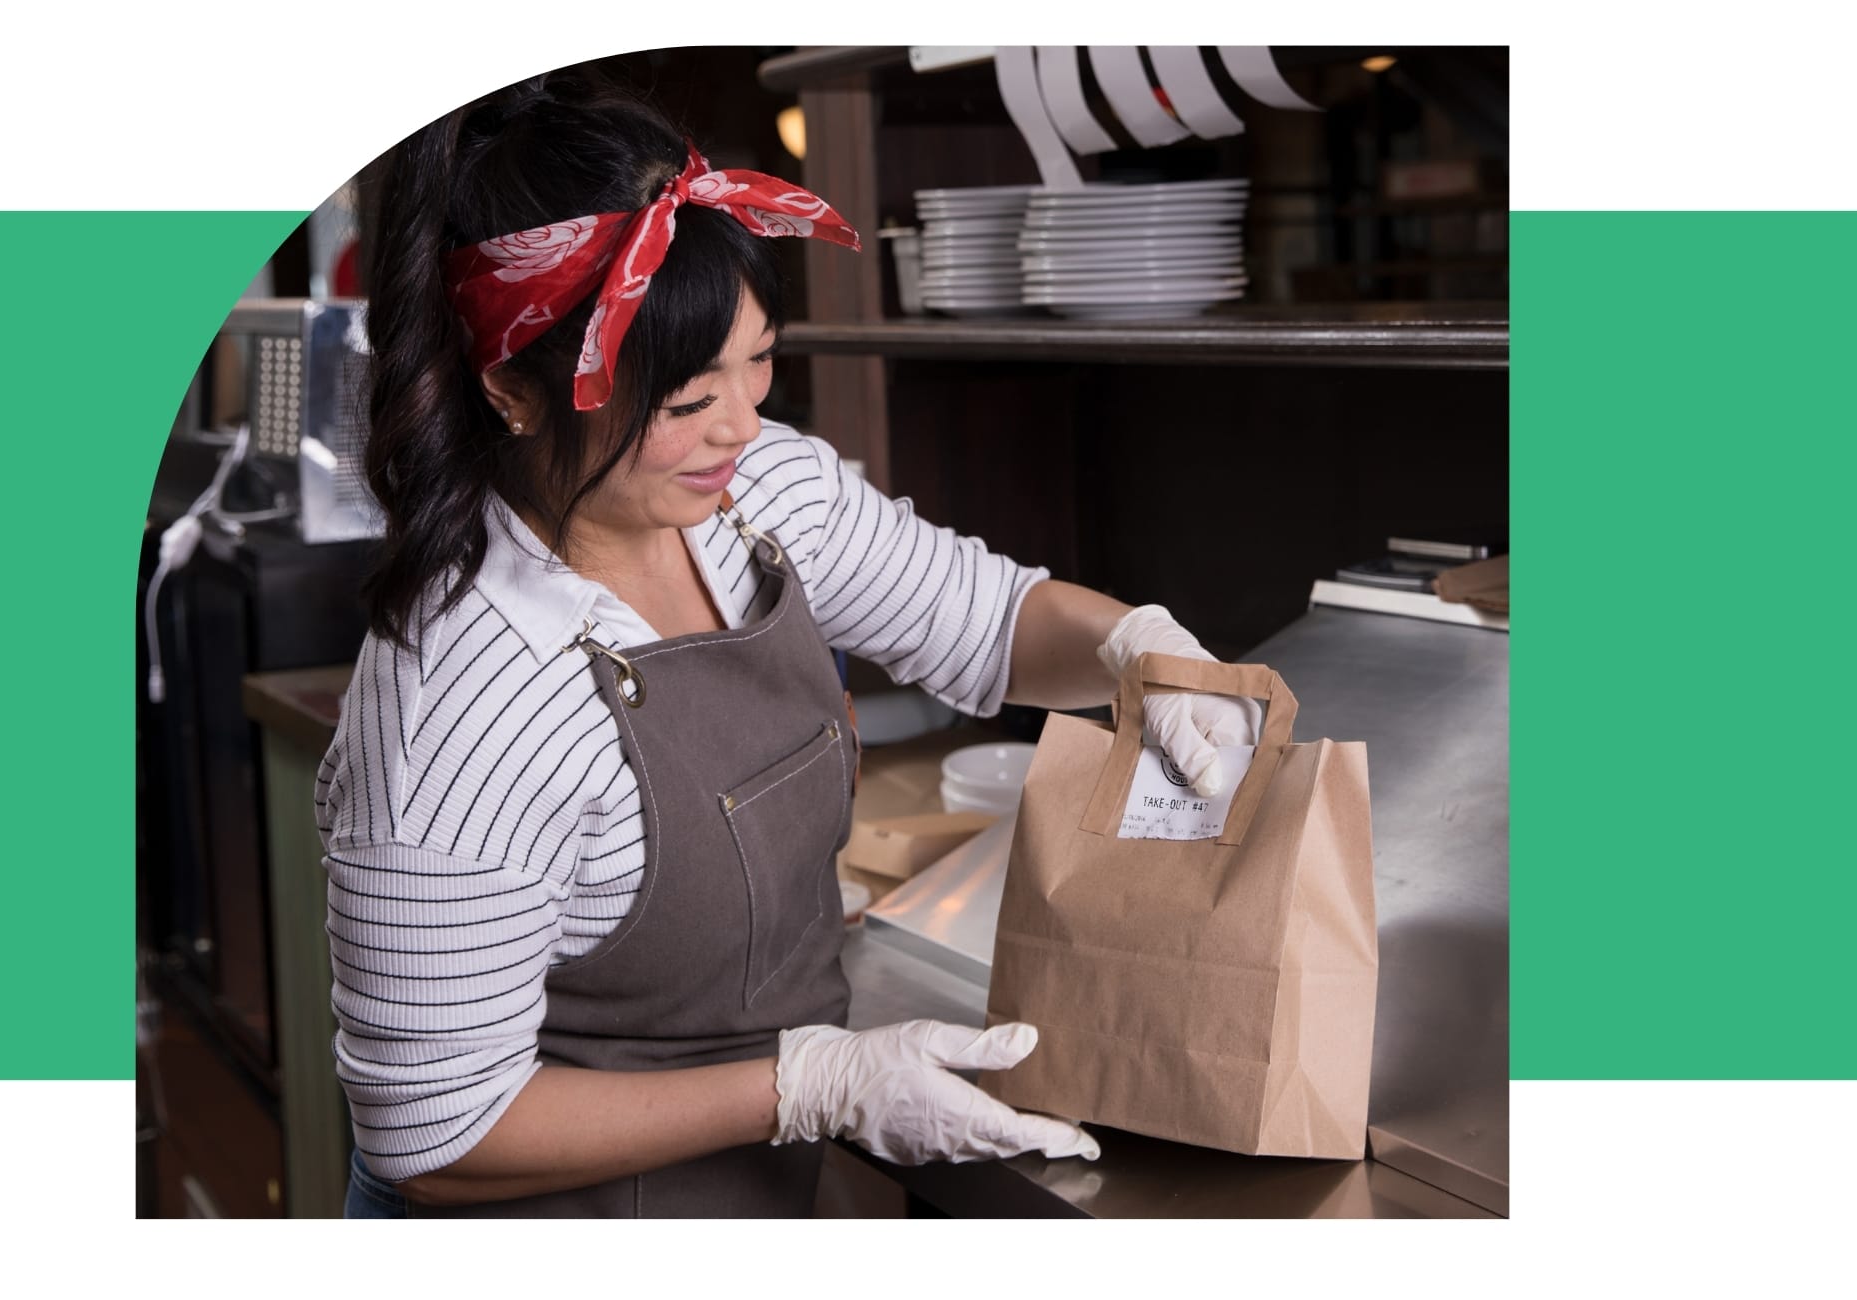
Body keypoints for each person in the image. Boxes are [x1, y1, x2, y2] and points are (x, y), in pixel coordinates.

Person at [317, 71, 1260, 1218]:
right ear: (515, 388)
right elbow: (438, 1133)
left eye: (756, 359)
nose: (741, 422)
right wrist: (810, 1086)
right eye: (681, 395)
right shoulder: (458, 699)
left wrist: (1141, 653)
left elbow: (988, 620)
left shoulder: (758, 498)